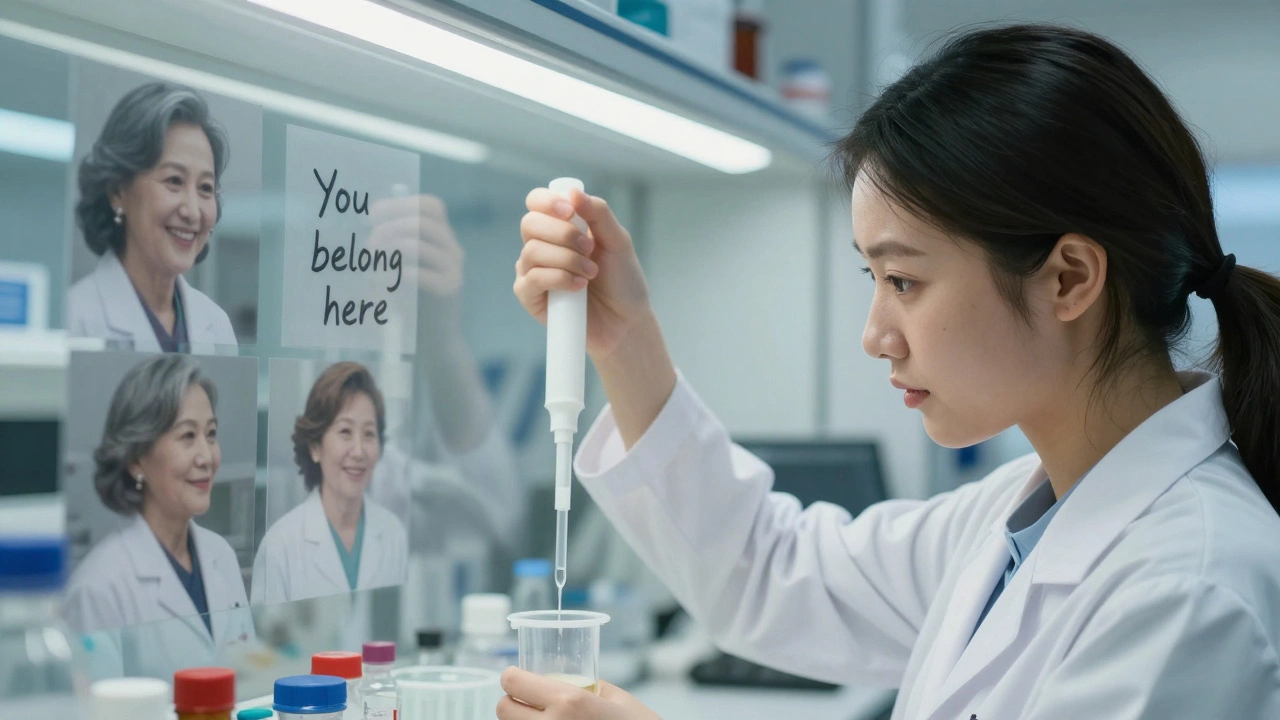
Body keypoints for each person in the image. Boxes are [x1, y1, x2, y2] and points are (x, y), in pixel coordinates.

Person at [499, 24, 1280, 720]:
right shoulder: (1017, 521)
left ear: (1070, 278)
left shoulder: (1187, 592)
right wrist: (623, 337)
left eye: (903, 281)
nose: (876, 336)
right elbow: (774, 572)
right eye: (872, 280)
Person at [63, 354, 253, 679]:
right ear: (136, 459)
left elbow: (249, 676)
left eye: (210, 434)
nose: (206, 457)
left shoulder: (220, 555)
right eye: (187, 436)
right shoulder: (98, 588)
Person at [68, 81, 237, 352]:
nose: (193, 211)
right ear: (117, 191)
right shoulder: (76, 319)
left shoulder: (217, 326)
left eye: (205, 188)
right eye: (174, 180)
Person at [251, 362, 409, 604]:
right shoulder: (279, 546)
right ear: (315, 447)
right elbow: (265, 641)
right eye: (345, 432)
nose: (358, 451)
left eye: (368, 434)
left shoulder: (394, 534)